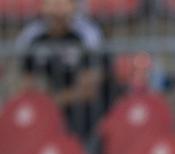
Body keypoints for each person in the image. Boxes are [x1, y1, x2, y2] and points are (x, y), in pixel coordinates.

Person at [15, 0, 107, 136]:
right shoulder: (32, 36)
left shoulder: (87, 35)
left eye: (64, 2)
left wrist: (56, 99)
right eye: (51, 3)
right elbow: (25, 83)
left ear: (74, 7)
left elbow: (90, 89)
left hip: (81, 112)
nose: (57, 8)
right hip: (43, 108)